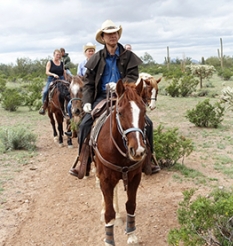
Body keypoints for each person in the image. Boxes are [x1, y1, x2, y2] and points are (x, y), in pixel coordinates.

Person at [69, 19, 160, 177]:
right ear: (103, 38)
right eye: (109, 34)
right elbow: (89, 83)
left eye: (115, 33)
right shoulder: (96, 58)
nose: (113, 36)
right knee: (84, 125)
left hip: (125, 95)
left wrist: (121, 85)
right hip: (102, 97)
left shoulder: (129, 56)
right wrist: (87, 102)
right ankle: (83, 161)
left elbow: (132, 76)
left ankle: (149, 159)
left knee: (148, 123)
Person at [65, 42, 96, 132]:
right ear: (85, 53)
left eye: (92, 51)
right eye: (89, 51)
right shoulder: (82, 64)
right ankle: (71, 124)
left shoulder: (97, 62)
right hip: (84, 87)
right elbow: (78, 76)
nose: (91, 52)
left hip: (94, 87)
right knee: (70, 104)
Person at [39, 49, 66, 115]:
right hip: (52, 79)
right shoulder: (50, 62)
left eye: (59, 55)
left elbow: (64, 72)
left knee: (67, 90)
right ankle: (44, 106)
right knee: (45, 91)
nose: (58, 56)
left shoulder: (61, 63)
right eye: (57, 54)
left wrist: (66, 79)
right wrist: (53, 74)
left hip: (61, 78)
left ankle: (68, 107)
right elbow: (47, 72)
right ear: (54, 55)